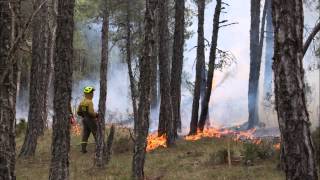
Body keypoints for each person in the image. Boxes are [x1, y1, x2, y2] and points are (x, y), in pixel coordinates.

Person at [77, 86, 98, 153]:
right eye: (92, 92)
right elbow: (91, 112)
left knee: (85, 134)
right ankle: (99, 148)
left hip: (84, 120)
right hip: (91, 120)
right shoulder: (89, 102)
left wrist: (84, 116)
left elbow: (78, 112)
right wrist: (97, 115)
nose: (93, 94)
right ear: (89, 94)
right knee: (96, 133)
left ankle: (83, 149)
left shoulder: (82, 101)